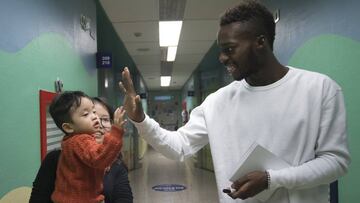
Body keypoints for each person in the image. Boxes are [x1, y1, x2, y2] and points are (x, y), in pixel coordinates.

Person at [118, 0, 350, 202]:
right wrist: (140, 119)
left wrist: (272, 179)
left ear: (260, 42)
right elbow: (178, 146)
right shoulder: (217, 102)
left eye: (229, 49)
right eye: (221, 50)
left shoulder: (319, 89)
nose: (222, 58)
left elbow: (335, 161)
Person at [29, 97, 133, 203]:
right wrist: (116, 133)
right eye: (86, 115)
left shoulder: (117, 166)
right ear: (70, 127)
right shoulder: (54, 159)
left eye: (105, 119)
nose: (98, 122)